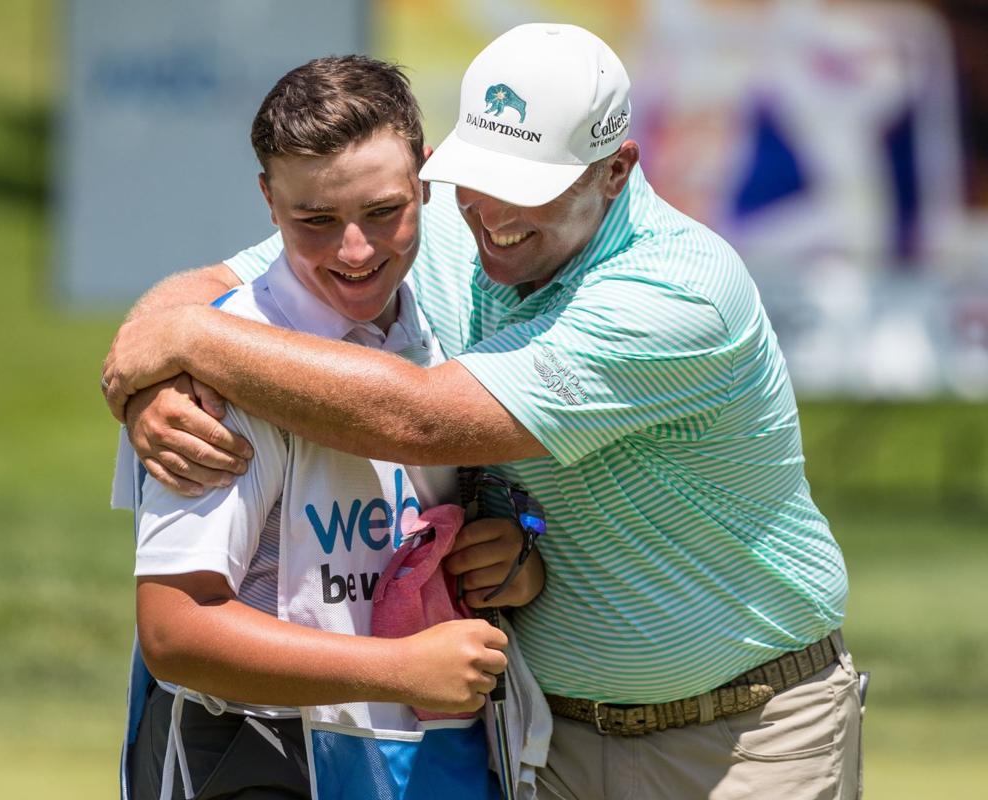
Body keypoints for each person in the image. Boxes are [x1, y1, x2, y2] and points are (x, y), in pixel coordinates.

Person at [104, 24, 862, 800]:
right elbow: (218, 290)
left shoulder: (676, 292)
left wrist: (192, 342)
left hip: (743, 736)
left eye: (529, 187)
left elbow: (424, 420)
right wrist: (158, 380)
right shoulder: (415, 232)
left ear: (615, 171)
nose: (492, 212)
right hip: (541, 742)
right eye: (479, 175)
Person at [112, 55, 545, 800]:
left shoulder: (444, 330)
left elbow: (410, 538)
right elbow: (176, 634)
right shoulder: (213, 373)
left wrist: (503, 561)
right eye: (315, 221)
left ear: (426, 179)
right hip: (254, 758)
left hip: (419, 761)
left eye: (384, 212)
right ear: (268, 201)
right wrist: (401, 669)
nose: (355, 252)